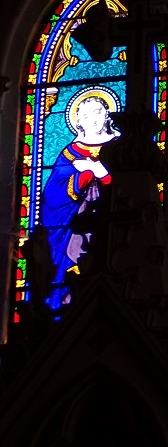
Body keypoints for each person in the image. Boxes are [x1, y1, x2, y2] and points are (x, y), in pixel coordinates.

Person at [40, 89, 119, 312]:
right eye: (84, 116)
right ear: (78, 122)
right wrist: (82, 177)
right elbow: (53, 194)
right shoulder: (70, 152)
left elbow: (129, 186)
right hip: (74, 226)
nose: (91, 119)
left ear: (107, 114)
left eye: (96, 112)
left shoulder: (120, 147)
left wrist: (97, 170)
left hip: (113, 221)